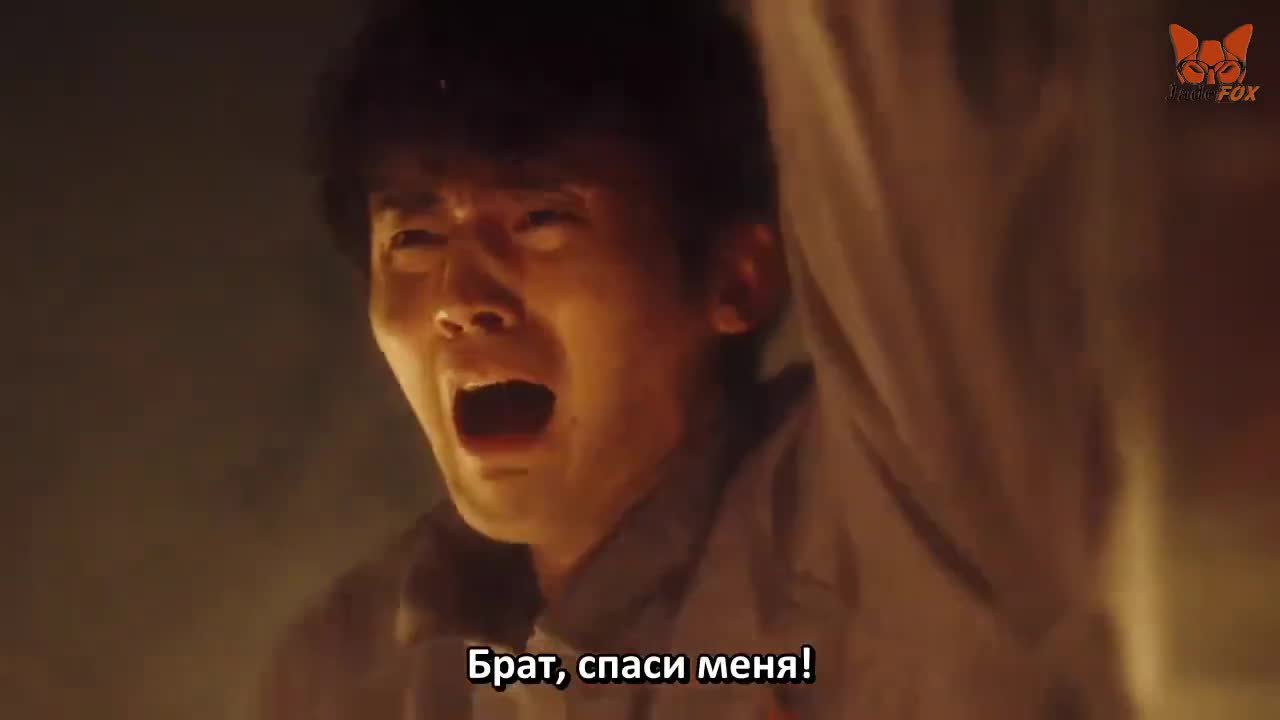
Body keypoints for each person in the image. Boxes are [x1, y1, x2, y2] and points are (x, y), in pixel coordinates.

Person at [260, 1, 1133, 718]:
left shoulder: (891, 514)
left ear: (735, 279)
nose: (459, 297)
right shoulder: (350, 676)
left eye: (541, 220)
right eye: (414, 238)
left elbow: (900, 94)